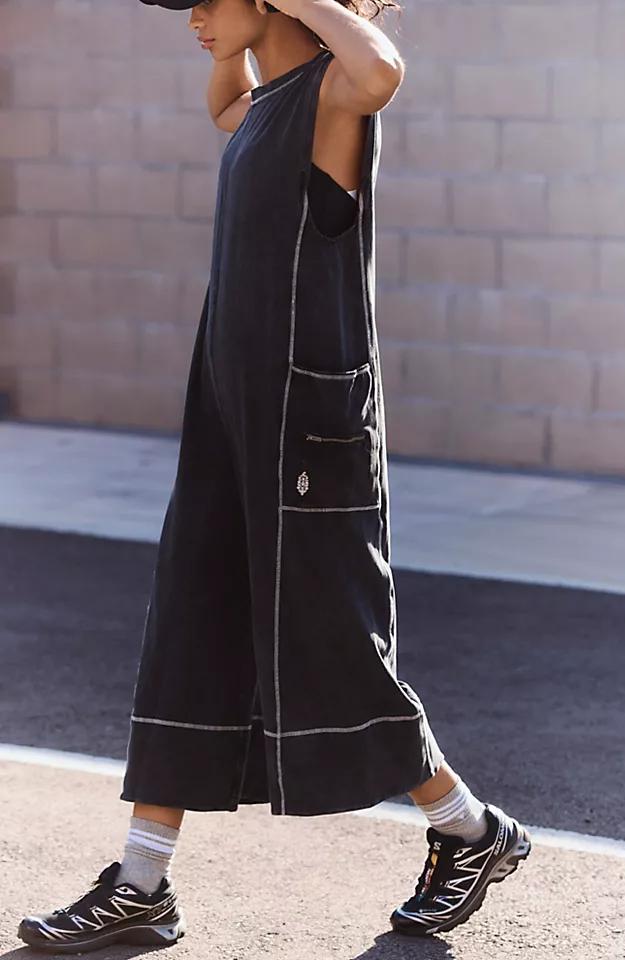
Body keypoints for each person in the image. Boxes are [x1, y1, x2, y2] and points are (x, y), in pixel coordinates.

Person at [17, 0, 531, 951]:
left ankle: (470, 829)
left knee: (329, 644)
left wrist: (294, 1)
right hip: (228, 412)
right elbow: (225, 103)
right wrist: (238, 37)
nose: (191, 21)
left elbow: (380, 71)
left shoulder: (333, 95)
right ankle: (142, 882)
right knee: (190, 621)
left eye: (204, 1)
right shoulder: (265, 106)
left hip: (308, 428)